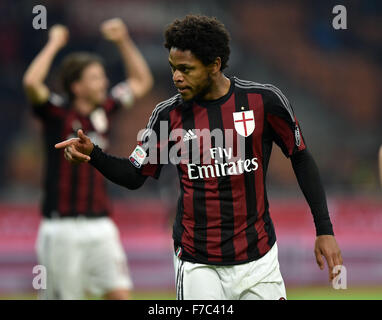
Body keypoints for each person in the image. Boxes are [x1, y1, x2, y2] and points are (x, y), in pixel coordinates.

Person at [55, 14, 342, 300]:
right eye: (173, 68)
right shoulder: (168, 116)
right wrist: (94, 154)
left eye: (186, 69)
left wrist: (324, 229)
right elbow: (134, 175)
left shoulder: (263, 101)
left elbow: (300, 157)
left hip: (259, 261)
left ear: (214, 65)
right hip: (198, 263)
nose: (176, 77)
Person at [23, 18, 153, 300]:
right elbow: (32, 82)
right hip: (61, 229)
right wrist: (54, 43)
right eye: (95, 77)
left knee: (120, 294)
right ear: (76, 86)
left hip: (101, 225)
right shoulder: (55, 113)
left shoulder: (106, 109)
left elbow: (141, 82)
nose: (104, 82)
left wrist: (123, 41)